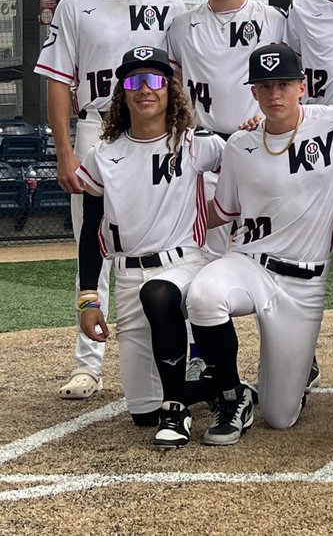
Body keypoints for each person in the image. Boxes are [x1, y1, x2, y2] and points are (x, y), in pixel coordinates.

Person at [36, 0, 185, 400]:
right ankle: (87, 362)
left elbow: (181, 82)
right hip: (97, 126)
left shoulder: (173, 6)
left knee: (173, 237)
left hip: (159, 131)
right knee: (93, 241)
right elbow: (59, 82)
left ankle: (188, 349)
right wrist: (64, 150)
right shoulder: (76, 6)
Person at [187, 43, 333, 445]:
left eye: (283, 84)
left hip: (304, 283)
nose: (274, 95)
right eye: (264, 87)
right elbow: (223, 212)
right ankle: (233, 395)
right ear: (254, 92)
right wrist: (164, 223)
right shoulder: (240, 145)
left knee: (280, 417)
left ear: (302, 86)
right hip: (250, 262)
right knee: (204, 296)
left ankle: (300, 370)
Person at [75, 46, 223, 447]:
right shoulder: (102, 155)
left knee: (157, 294)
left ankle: (177, 406)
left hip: (183, 264)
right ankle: (220, 385)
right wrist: (89, 299)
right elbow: (91, 230)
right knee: (142, 412)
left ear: (168, 89)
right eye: (133, 81)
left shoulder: (195, 144)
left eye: (155, 80)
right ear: (122, 92)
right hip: (127, 275)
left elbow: (248, 160)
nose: (145, 89)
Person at [168, 0, 286, 140]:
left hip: (260, 136)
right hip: (200, 140)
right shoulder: (181, 24)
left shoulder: (274, 19)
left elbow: (293, 79)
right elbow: (176, 79)